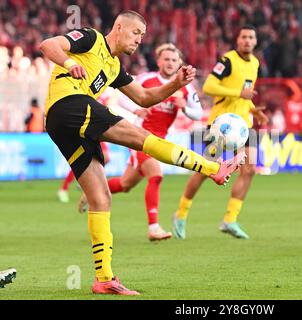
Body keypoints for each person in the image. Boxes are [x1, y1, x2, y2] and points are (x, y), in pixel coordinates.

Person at [40, 10, 245, 295]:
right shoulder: (91, 38)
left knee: (101, 197)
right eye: (136, 33)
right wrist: (69, 61)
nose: (139, 40)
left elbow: (145, 97)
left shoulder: (114, 67)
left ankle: (104, 278)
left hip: (61, 123)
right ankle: (212, 168)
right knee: (142, 137)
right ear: (120, 26)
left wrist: (175, 84)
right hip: (69, 103)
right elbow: (48, 44)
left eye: (143, 37)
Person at [80, 43, 202, 242]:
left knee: (126, 184)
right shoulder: (147, 79)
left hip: (160, 140)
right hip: (140, 136)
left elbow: (196, 112)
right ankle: (153, 227)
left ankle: (91, 191)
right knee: (156, 175)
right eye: (167, 59)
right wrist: (136, 109)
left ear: (179, 63)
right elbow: (120, 98)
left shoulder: (185, 86)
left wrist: (185, 108)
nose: (170, 63)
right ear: (159, 61)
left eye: (174, 60)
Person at [172, 25, 268, 240]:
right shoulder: (227, 61)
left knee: (249, 169)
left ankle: (230, 219)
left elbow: (245, 93)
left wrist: (253, 109)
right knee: (206, 170)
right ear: (237, 40)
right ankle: (181, 213)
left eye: (251, 37)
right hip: (221, 126)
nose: (247, 41)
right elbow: (208, 86)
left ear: (255, 41)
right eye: (243, 37)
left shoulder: (255, 63)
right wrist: (239, 94)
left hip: (244, 126)